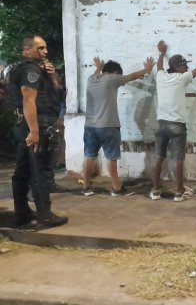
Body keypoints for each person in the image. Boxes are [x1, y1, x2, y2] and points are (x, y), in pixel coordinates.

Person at [9, 35, 68, 228]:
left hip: (24, 125)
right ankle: (45, 215)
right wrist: (34, 131)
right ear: (27, 50)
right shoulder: (30, 69)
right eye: (40, 48)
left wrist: (51, 76)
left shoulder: (32, 69)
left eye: (45, 48)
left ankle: (22, 213)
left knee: (23, 171)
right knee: (39, 171)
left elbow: (56, 94)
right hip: (35, 125)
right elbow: (28, 100)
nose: (45, 51)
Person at [150, 40, 196, 202]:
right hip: (177, 125)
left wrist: (161, 53)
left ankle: (155, 190)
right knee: (178, 159)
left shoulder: (160, 77)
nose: (186, 68)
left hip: (161, 124)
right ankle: (179, 191)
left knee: (159, 157)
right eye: (184, 65)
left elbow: (159, 66)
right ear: (177, 67)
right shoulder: (181, 78)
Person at [81, 56, 155, 196]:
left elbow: (98, 72)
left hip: (90, 126)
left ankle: (86, 186)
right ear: (115, 73)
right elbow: (132, 76)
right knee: (111, 157)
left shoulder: (91, 79)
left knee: (89, 155)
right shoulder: (112, 78)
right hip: (108, 125)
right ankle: (116, 187)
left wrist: (98, 67)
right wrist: (147, 69)